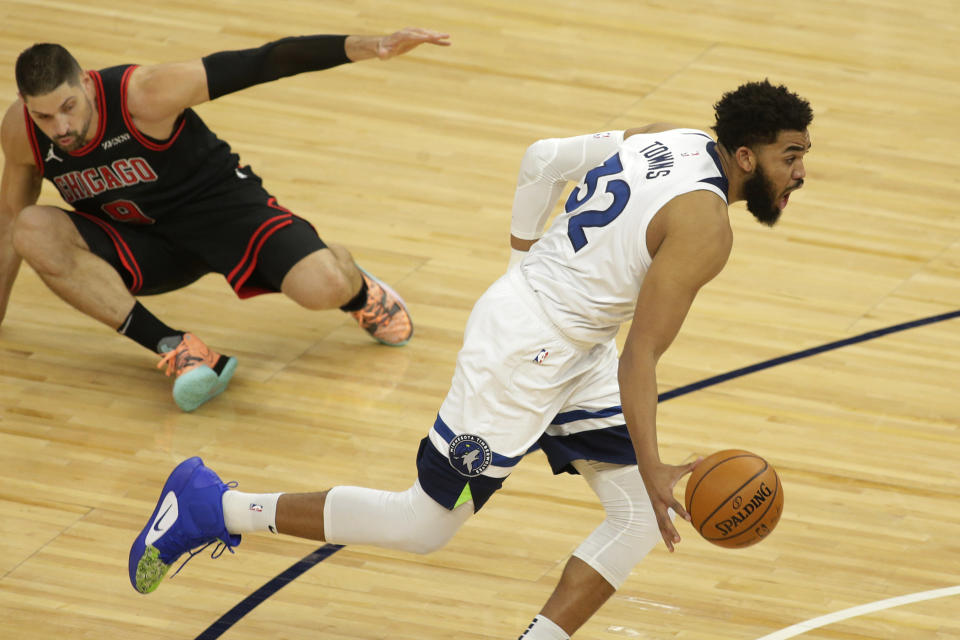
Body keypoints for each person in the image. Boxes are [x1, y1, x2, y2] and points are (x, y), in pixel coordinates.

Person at [129, 80, 813, 638]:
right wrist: (658, 463)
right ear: (746, 157)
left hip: (563, 338)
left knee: (636, 513)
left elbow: (543, 158)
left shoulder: (676, 137)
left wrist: (522, 260)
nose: (800, 174)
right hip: (527, 351)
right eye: (790, 157)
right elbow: (642, 360)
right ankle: (217, 507)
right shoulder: (706, 228)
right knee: (424, 524)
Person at [0, 28, 450, 411]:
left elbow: (263, 62)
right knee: (31, 227)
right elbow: (9, 222)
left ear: (86, 83)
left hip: (221, 211)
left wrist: (369, 44)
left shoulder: (146, 93)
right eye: (44, 115)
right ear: (25, 103)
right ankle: (178, 349)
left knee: (324, 287)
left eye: (68, 107)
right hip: (139, 242)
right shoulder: (22, 132)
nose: (60, 127)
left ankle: (359, 291)